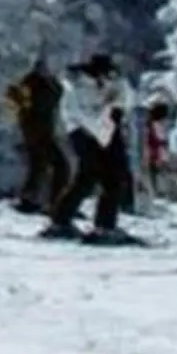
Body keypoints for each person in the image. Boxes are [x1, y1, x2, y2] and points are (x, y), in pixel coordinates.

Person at [45, 52, 133, 240]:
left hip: (107, 130)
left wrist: (113, 112)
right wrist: (103, 121)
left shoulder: (113, 83)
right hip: (82, 132)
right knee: (88, 175)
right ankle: (61, 220)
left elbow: (124, 98)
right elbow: (80, 114)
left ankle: (104, 223)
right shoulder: (77, 86)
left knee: (114, 178)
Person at [6, 61, 65, 214]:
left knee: (38, 166)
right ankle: (56, 203)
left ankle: (31, 199)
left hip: (36, 130)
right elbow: (33, 105)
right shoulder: (35, 85)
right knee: (60, 166)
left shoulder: (35, 84)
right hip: (38, 131)